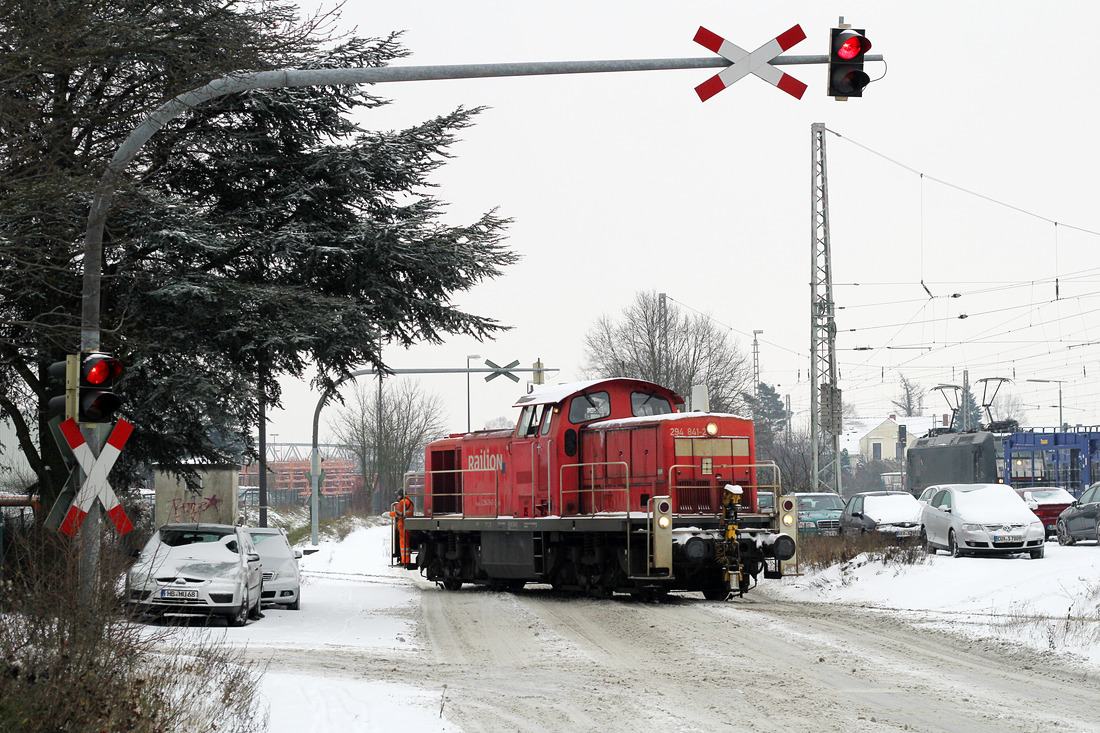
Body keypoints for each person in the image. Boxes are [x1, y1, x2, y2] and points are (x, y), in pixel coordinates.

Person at [388, 489, 416, 566]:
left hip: (403, 524)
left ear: (401, 495)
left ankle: (404, 561)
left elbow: (398, 514)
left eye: (398, 495)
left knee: (403, 544)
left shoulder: (403, 502)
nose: (398, 496)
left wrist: (391, 514)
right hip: (407, 524)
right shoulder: (410, 501)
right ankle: (406, 560)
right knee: (406, 544)